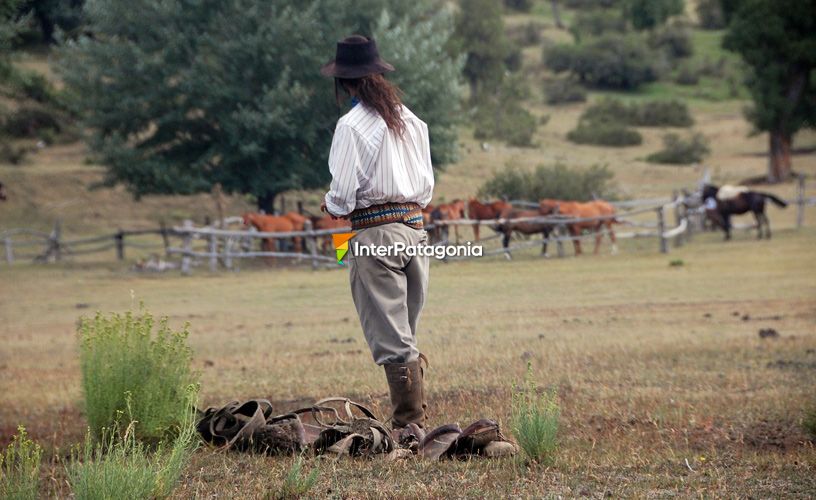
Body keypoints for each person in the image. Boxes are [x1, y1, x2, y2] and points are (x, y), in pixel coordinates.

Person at [319, 35, 434, 431]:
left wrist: (332, 206)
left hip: (376, 236)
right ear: (378, 75)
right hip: (416, 230)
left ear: (345, 82)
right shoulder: (412, 121)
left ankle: (409, 425)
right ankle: (415, 418)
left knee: (391, 334)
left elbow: (342, 195)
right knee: (405, 328)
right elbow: (427, 188)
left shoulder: (350, 126)